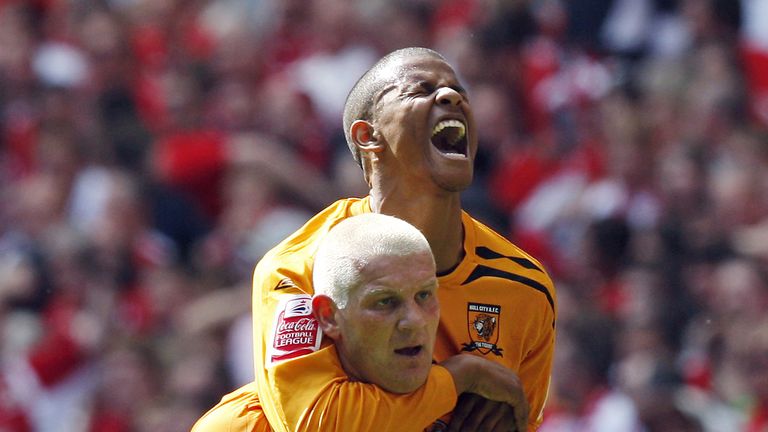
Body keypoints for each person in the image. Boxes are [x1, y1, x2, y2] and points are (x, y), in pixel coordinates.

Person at [195, 46, 556, 431]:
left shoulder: (524, 288)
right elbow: (319, 422)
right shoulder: (299, 266)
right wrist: (461, 377)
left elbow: (511, 419)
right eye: (419, 90)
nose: (451, 96)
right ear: (368, 136)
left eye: (457, 91)